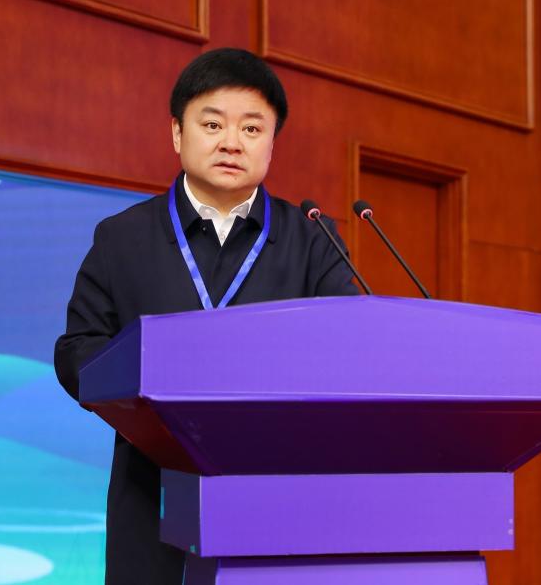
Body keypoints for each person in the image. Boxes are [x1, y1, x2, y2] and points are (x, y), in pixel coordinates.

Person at [54, 47, 359, 584]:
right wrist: (147, 381)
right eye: (212, 124)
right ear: (177, 133)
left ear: (271, 143)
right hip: (152, 491)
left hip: (276, 496)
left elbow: (352, 345)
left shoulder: (313, 239)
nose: (231, 142)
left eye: (252, 129)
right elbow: (76, 349)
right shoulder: (122, 237)